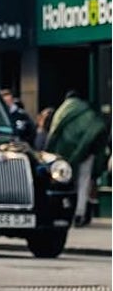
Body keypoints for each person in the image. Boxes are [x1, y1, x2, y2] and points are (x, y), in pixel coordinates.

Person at [45, 91, 108, 227]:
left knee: (65, 181)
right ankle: (79, 213)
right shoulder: (89, 113)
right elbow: (97, 130)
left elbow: (54, 132)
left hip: (64, 152)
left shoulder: (62, 111)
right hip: (87, 152)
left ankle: (63, 211)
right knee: (83, 182)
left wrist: (47, 150)